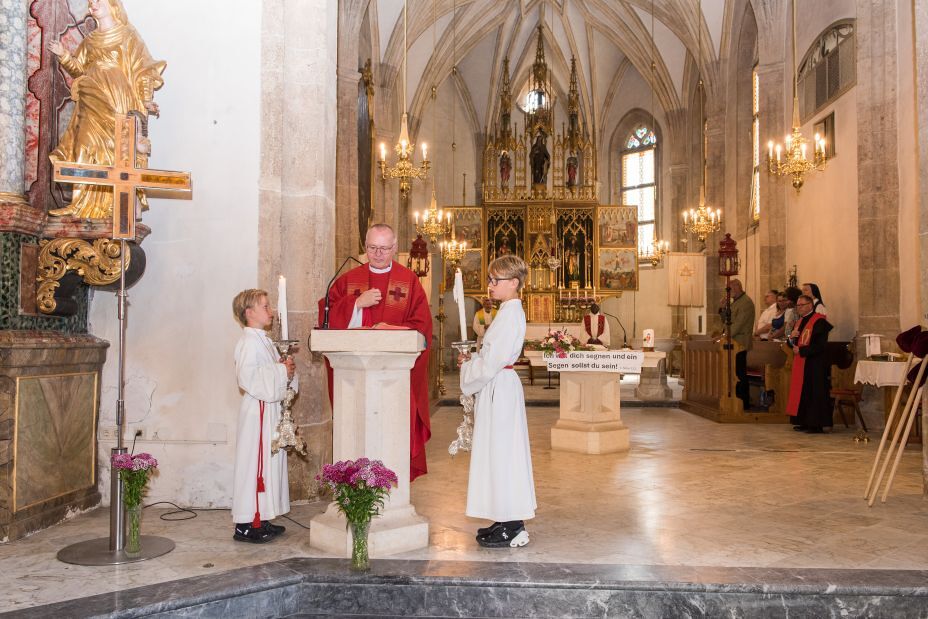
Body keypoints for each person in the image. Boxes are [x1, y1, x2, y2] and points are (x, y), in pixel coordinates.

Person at [317, 224, 433, 480]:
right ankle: (356, 480)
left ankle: (393, 479)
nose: (378, 254)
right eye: (372, 248)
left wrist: (389, 329)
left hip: (395, 379)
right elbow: (326, 316)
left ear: (395, 248)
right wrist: (357, 304)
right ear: (365, 247)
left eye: (384, 248)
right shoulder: (349, 280)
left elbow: (423, 326)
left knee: (392, 431)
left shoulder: (409, 281)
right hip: (355, 380)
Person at [47, 0, 166, 218]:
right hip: (90, 101)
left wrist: (145, 99)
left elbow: (143, 71)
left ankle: (114, 207)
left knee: (117, 151)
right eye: (90, 2)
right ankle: (79, 204)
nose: (92, 5)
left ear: (112, 5)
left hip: (118, 100)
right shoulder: (89, 41)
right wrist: (64, 55)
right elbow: (79, 69)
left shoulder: (128, 35)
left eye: (98, 0)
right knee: (83, 145)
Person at [458, 255, 535, 548]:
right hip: (497, 385)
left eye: (495, 280)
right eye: (490, 279)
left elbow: (493, 362)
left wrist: (469, 368)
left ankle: (513, 525)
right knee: (497, 452)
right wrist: (473, 358)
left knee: (503, 453)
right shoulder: (506, 311)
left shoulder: (511, 314)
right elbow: (491, 355)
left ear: (513, 283)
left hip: (499, 386)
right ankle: (504, 517)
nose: (490, 285)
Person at [231, 289, 297, 543]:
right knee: (255, 466)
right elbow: (247, 378)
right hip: (258, 410)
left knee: (268, 465)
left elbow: (274, 372)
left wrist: (286, 370)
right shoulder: (248, 342)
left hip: (269, 409)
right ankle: (247, 525)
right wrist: (280, 370)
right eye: (265, 306)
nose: (271, 311)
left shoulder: (265, 341)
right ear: (249, 312)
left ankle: (262, 518)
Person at [786, 294, 834, 433]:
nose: (799, 308)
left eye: (802, 305)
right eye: (798, 305)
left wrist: (801, 351)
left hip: (815, 364)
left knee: (814, 393)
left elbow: (820, 346)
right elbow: (793, 344)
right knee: (803, 392)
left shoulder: (819, 321)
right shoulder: (799, 322)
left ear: (810, 305)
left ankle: (816, 424)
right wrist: (791, 338)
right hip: (802, 362)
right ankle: (804, 421)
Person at [719, 279, 755, 410]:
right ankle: (734, 401)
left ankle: (743, 403)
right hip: (732, 342)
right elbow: (726, 321)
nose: (727, 292)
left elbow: (738, 324)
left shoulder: (746, 302)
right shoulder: (735, 302)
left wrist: (724, 336)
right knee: (733, 372)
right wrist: (723, 309)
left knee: (739, 373)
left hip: (740, 343)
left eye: (728, 289)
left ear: (737, 287)